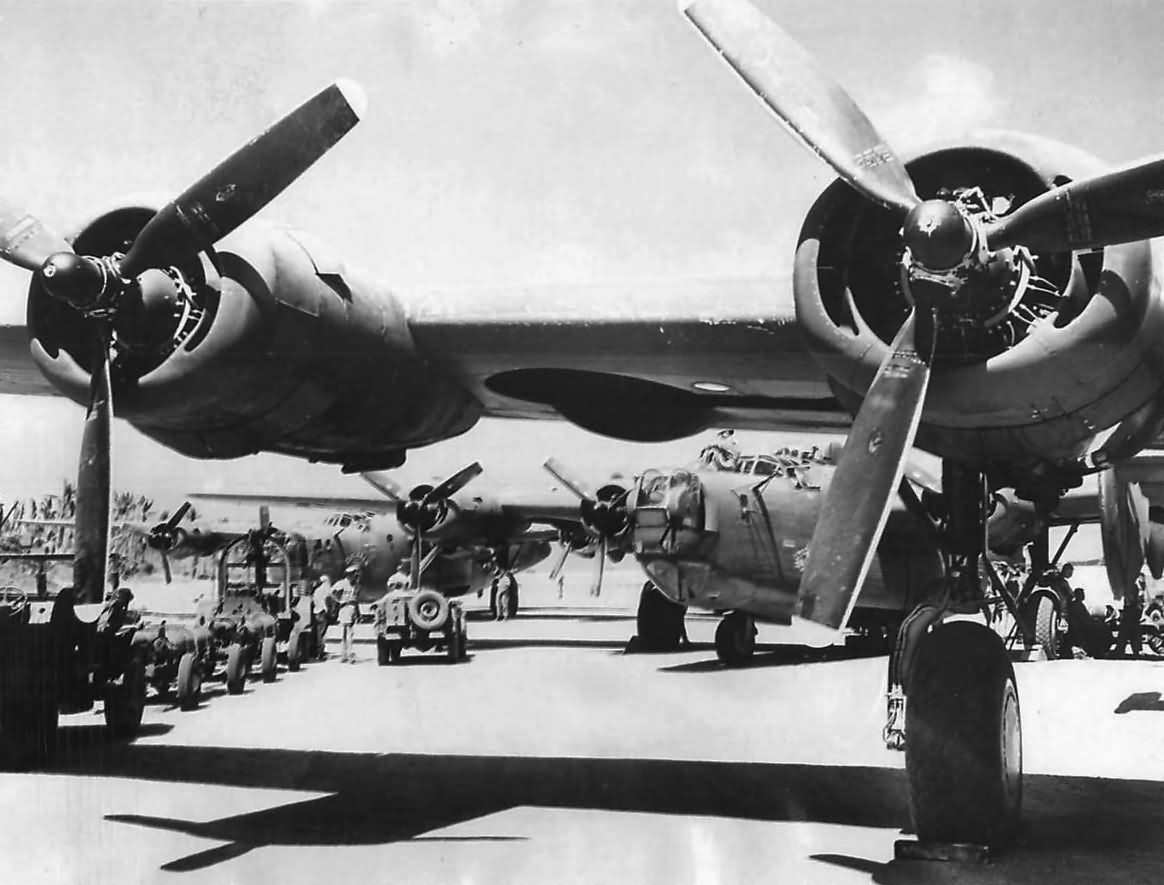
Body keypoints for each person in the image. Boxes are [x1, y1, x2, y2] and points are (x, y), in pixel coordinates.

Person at [333, 565, 361, 663]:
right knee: (347, 633)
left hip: (352, 608)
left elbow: (356, 599)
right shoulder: (342, 583)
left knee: (349, 632)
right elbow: (332, 592)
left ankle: (346, 654)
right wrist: (339, 600)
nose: (356, 576)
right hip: (345, 607)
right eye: (354, 574)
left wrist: (358, 613)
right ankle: (347, 655)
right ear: (349, 575)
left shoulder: (356, 585)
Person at [1115, 574, 1146, 659]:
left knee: (1128, 633)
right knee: (1131, 633)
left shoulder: (1133, 587)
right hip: (1131, 612)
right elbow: (1131, 601)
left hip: (1131, 612)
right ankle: (1125, 651)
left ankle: (1121, 650)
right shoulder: (1133, 587)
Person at [312, 575, 335, 660]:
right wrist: (330, 612)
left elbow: (314, 601)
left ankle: (317, 652)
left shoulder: (317, 590)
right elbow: (330, 601)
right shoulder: (327, 590)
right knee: (322, 634)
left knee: (318, 633)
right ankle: (320, 653)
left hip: (316, 612)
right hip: (323, 613)